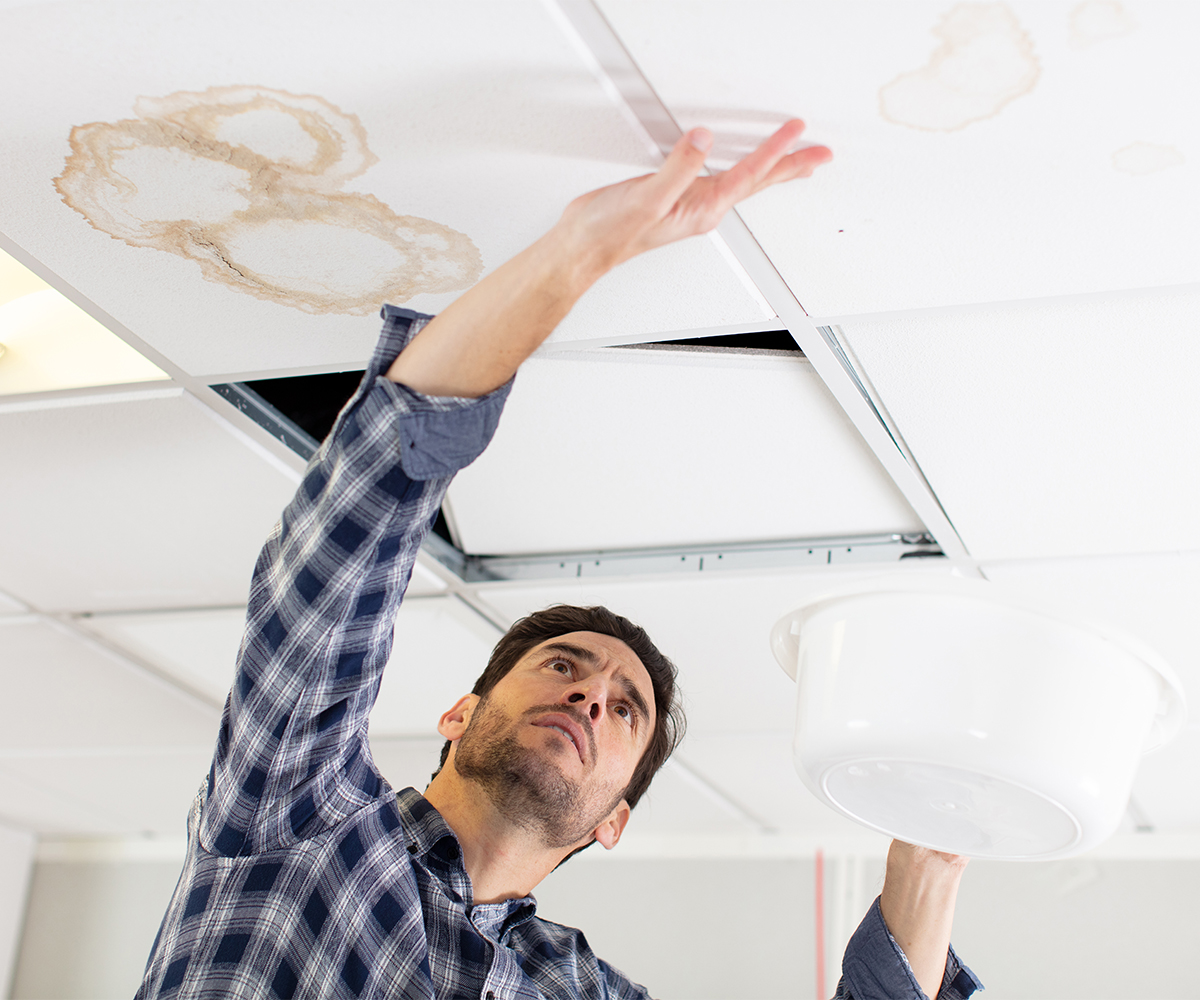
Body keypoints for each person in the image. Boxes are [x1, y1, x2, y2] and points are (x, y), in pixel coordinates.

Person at [137, 121, 981, 1000]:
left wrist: (935, 845)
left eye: (625, 711)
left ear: (614, 819)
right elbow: (327, 578)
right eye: (564, 667)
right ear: (460, 715)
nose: (589, 695)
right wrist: (578, 252)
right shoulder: (298, 816)